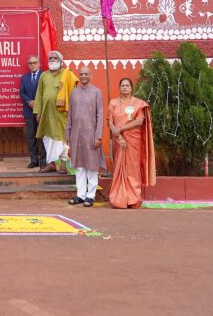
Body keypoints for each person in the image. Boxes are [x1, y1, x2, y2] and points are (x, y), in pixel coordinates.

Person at [108, 77, 157, 209]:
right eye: (122, 85)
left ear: (131, 88)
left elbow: (139, 121)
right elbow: (110, 122)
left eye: (127, 85)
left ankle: (133, 198)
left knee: (132, 169)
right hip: (119, 141)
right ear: (119, 88)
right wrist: (118, 134)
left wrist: (121, 129)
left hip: (133, 141)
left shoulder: (138, 104)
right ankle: (119, 198)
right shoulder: (113, 103)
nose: (124, 87)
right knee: (119, 168)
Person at [33, 50, 79, 174]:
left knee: (62, 139)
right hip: (47, 114)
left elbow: (74, 91)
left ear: (61, 61)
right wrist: (38, 112)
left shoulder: (67, 74)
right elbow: (39, 94)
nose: (52, 59)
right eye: (50, 58)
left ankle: (63, 165)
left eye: (55, 58)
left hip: (62, 113)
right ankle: (51, 164)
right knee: (48, 139)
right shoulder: (44, 75)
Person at [65, 67, 105, 206]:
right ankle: (80, 195)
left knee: (91, 166)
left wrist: (98, 136)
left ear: (91, 76)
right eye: (81, 74)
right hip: (76, 135)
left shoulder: (96, 92)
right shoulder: (74, 93)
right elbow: (69, 115)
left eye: (86, 74)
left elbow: (100, 115)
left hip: (91, 135)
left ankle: (91, 196)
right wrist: (68, 133)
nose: (83, 76)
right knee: (79, 166)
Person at [19, 55, 46, 169]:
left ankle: (43, 161)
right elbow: (22, 92)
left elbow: (47, 92)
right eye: (30, 63)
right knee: (31, 137)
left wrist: (37, 102)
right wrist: (30, 102)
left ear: (39, 63)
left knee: (43, 137)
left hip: (42, 111)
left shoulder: (45, 76)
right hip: (29, 111)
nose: (33, 65)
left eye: (35, 62)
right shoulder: (24, 78)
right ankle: (34, 160)